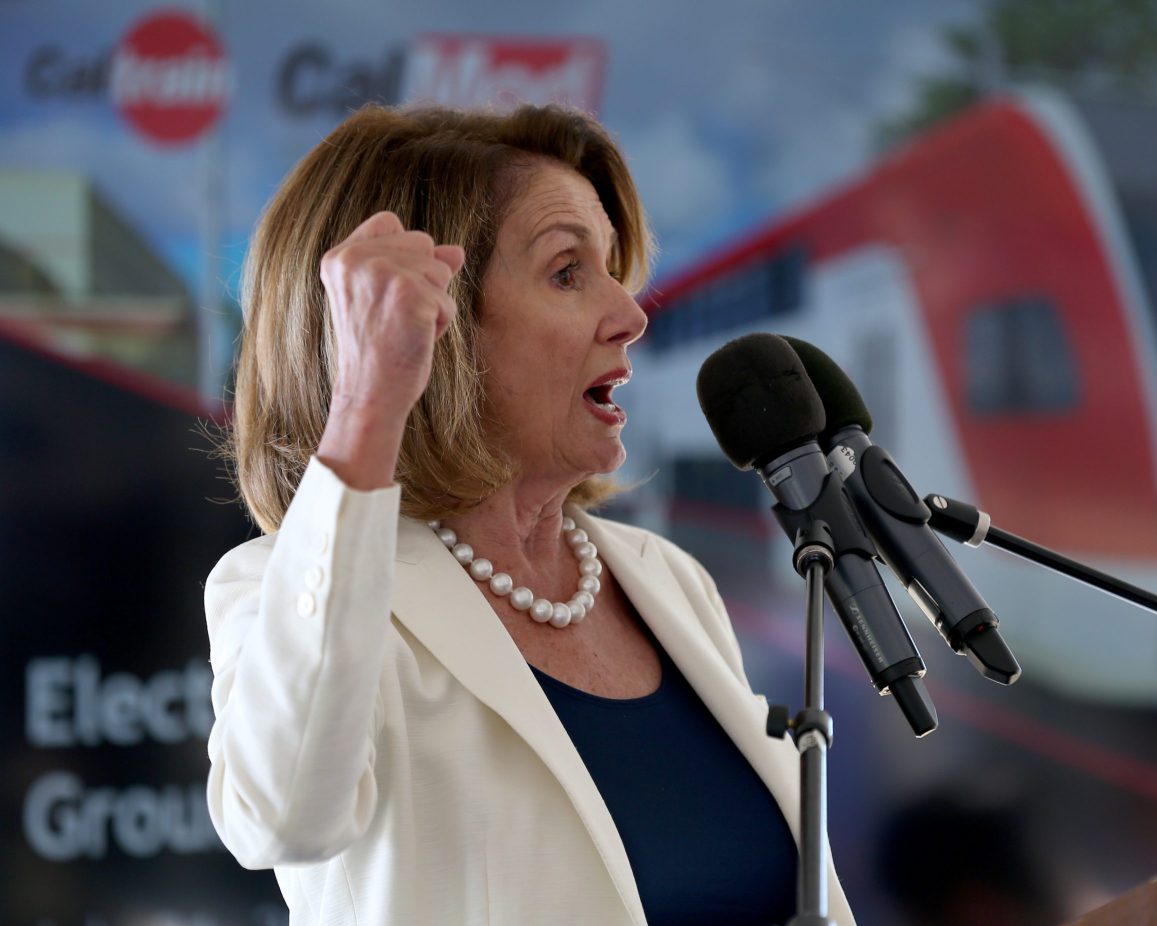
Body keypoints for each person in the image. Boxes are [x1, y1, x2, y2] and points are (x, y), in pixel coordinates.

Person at [205, 103, 856, 926]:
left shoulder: (668, 581)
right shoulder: (279, 588)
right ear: (429, 328)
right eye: (567, 272)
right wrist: (368, 402)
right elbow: (284, 818)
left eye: (616, 269)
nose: (630, 314)